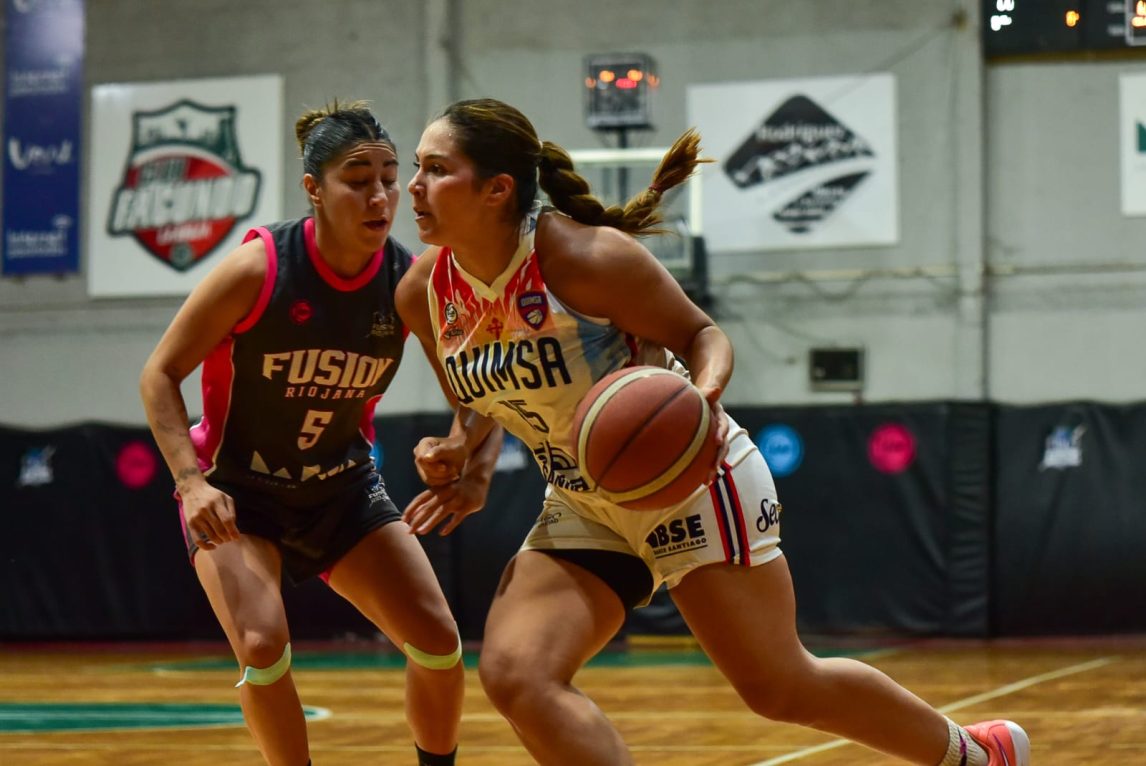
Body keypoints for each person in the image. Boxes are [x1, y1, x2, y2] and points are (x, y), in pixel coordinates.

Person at [394, 97, 1031, 766]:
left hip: (689, 482)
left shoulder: (586, 260)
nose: (413, 186)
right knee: (517, 675)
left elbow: (704, 335)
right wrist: (464, 458)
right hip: (587, 501)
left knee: (779, 687)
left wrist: (695, 402)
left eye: (435, 169)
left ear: (497, 189)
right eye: (416, 167)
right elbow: (480, 404)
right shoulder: (423, 294)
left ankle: (973, 756)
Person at [140, 100, 495, 766]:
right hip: (238, 492)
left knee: (440, 645)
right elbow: (159, 374)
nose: (381, 194)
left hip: (339, 488)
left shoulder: (409, 281)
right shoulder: (259, 269)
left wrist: (460, 450)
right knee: (262, 644)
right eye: (358, 179)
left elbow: (477, 398)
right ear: (314, 190)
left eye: (391, 177)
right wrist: (189, 483)